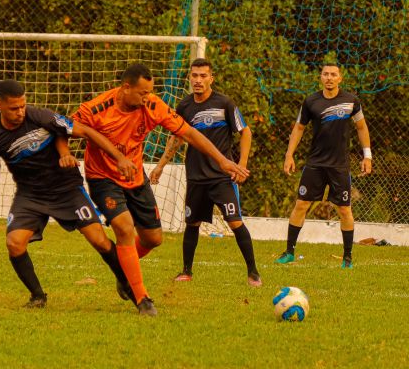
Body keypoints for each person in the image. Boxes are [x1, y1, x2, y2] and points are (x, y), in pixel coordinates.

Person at [72, 63, 250, 314]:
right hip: (103, 177)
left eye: (150, 92)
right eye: (143, 93)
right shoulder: (98, 108)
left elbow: (189, 133)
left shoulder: (153, 106)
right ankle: (142, 298)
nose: (148, 98)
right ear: (125, 88)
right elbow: (66, 129)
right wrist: (62, 156)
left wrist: (222, 160)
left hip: (135, 176)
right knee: (123, 227)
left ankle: (123, 270)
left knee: (153, 239)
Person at [0, 80, 154, 314]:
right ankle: (38, 296)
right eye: (14, 108)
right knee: (14, 243)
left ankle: (131, 287)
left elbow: (87, 131)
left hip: (66, 189)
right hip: (31, 195)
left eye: (23, 106)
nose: (20, 112)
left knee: (99, 241)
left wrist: (119, 158)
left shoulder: (40, 117)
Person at [149, 58, 261, 286]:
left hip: (222, 178)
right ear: (190, 78)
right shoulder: (185, 107)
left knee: (235, 222)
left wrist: (242, 164)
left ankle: (253, 273)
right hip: (196, 177)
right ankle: (186, 271)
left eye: (203, 76)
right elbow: (176, 138)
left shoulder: (225, 103)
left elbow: (245, 132)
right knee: (192, 224)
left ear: (211, 78)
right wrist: (160, 166)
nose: (198, 80)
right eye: (194, 76)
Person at [275, 63, 372, 268]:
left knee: (344, 210)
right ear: (321, 77)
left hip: (339, 166)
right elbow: (299, 128)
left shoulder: (351, 101)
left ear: (340, 78)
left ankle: (347, 258)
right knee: (301, 204)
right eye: (326, 74)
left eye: (333, 74)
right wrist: (289, 155)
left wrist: (367, 156)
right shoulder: (311, 101)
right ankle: (289, 252)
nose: (329, 77)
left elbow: (362, 127)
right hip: (315, 164)